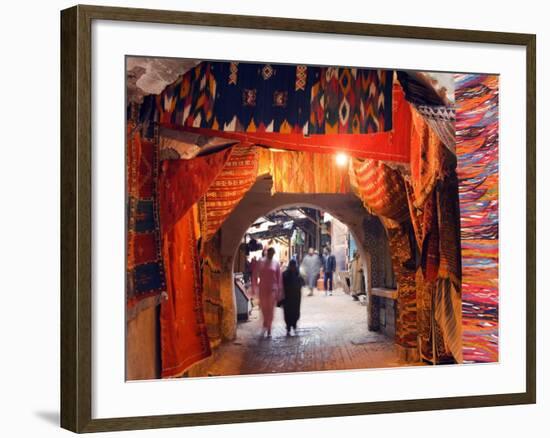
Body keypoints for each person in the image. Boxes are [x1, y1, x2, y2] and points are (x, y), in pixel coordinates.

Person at [251, 247, 283, 337]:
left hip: (273, 289)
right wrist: (254, 287)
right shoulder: (261, 262)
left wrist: (279, 290)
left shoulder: (276, 263)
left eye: (272, 254)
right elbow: (255, 274)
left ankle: (269, 327)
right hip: (263, 288)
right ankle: (265, 323)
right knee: (264, 308)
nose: (271, 255)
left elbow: (279, 278)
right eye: (270, 253)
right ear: (267, 253)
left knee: (271, 308)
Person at [281, 259, 304, 336]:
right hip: (288, 297)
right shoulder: (285, 274)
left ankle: (293, 324)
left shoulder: (298, 273)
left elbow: (302, 283)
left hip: (296, 297)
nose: (293, 267)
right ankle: (288, 326)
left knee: (295, 312)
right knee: (287, 312)